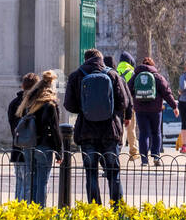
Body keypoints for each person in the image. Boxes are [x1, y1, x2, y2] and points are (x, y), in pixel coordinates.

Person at [63, 48, 132, 205]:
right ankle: (117, 209)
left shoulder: (76, 76)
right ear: (100, 58)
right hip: (110, 131)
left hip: (87, 132)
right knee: (114, 173)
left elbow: (69, 105)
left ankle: (95, 209)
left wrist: (85, 108)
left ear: (85, 59)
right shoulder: (113, 75)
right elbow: (124, 102)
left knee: (91, 173)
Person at [14, 70, 61, 206]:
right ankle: (40, 210)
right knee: (42, 182)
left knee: (31, 180)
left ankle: (31, 209)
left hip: (29, 145)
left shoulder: (29, 102)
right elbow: (55, 129)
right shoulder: (50, 105)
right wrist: (59, 151)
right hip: (45, 146)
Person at [130, 56, 177, 166]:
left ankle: (144, 160)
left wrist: (131, 103)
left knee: (143, 134)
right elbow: (167, 92)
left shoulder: (136, 76)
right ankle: (156, 157)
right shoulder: (158, 77)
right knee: (156, 133)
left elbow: (128, 90)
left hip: (140, 110)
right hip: (155, 110)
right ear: (152, 65)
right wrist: (174, 106)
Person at [6, 73, 39, 200]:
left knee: (20, 182)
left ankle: (17, 208)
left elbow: (11, 124)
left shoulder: (14, 103)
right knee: (28, 184)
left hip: (17, 145)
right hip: (31, 147)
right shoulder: (35, 103)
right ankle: (24, 211)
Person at [115, 53, 140, 162]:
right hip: (130, 105)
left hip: (118, 105)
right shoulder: (132, 73)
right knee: (131, 129)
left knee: (119, 129)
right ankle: (133, 153)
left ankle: (117, 151)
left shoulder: (115, 72)